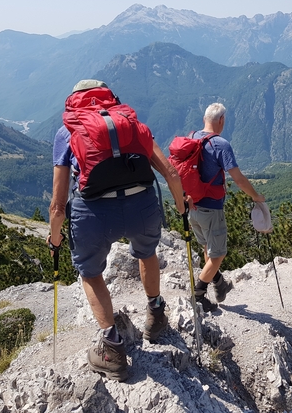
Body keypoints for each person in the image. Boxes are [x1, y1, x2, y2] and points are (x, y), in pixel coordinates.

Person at [47, 79, 186, 382]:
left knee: (91, 273)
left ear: (75, 103)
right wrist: (180, 207)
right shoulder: (133, 126)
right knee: (146, 252)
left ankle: (112, 350)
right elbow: (172, 173)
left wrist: (55, 238)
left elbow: (58, 205)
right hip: (143, 207)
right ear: (109, 99)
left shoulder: (68, 131)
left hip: (94, 214)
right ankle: (156, 313)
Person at [188, 102, 266, 311]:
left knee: (208, 247)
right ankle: (199, 295)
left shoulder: (192, 138)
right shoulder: (220, 144)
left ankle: (219, 282)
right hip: (211, 208)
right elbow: (238, 179)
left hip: (192, 207)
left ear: (205, 118)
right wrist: (256, 196)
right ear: (221, 120)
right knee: (217, 254)